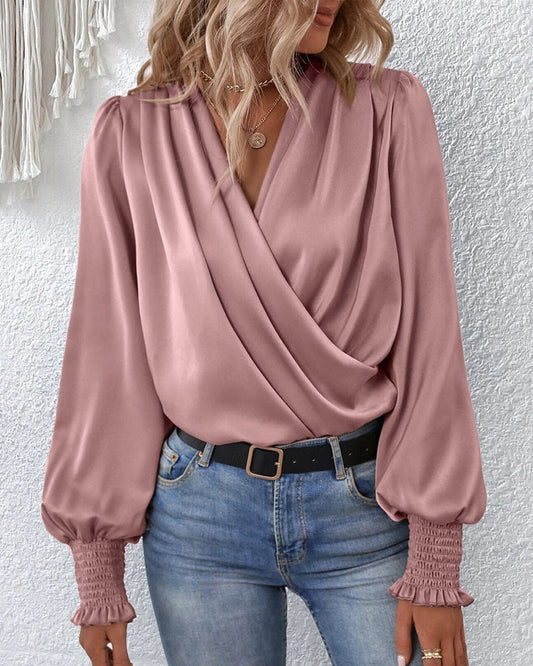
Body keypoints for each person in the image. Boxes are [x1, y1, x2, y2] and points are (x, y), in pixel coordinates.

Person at [40, 0, 487, 664]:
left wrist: (435, 556)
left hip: (359, 507)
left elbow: (430, 332)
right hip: (200, 518)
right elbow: (108, 355)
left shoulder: (384, 111)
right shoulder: (133, 134)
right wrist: (97, 563)